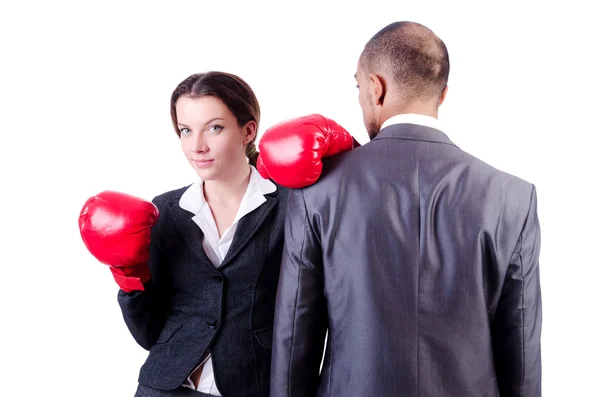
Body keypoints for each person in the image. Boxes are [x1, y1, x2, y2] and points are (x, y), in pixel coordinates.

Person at [268, 21, 542, 397]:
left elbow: (295, 337)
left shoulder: (318, 190)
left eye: (359, 87)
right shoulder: (513, 197)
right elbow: (521, 350)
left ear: (375, 88)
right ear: (442, 94)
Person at [78, 72, 354, 397]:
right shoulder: (165, 210)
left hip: (252, 385)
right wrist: (129, 277)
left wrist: (349, 151)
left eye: (214, 127)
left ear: (248, 131)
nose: (197, 146)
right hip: (163, 386)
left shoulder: (293, 205)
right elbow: (149, 334)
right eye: (185, 130)